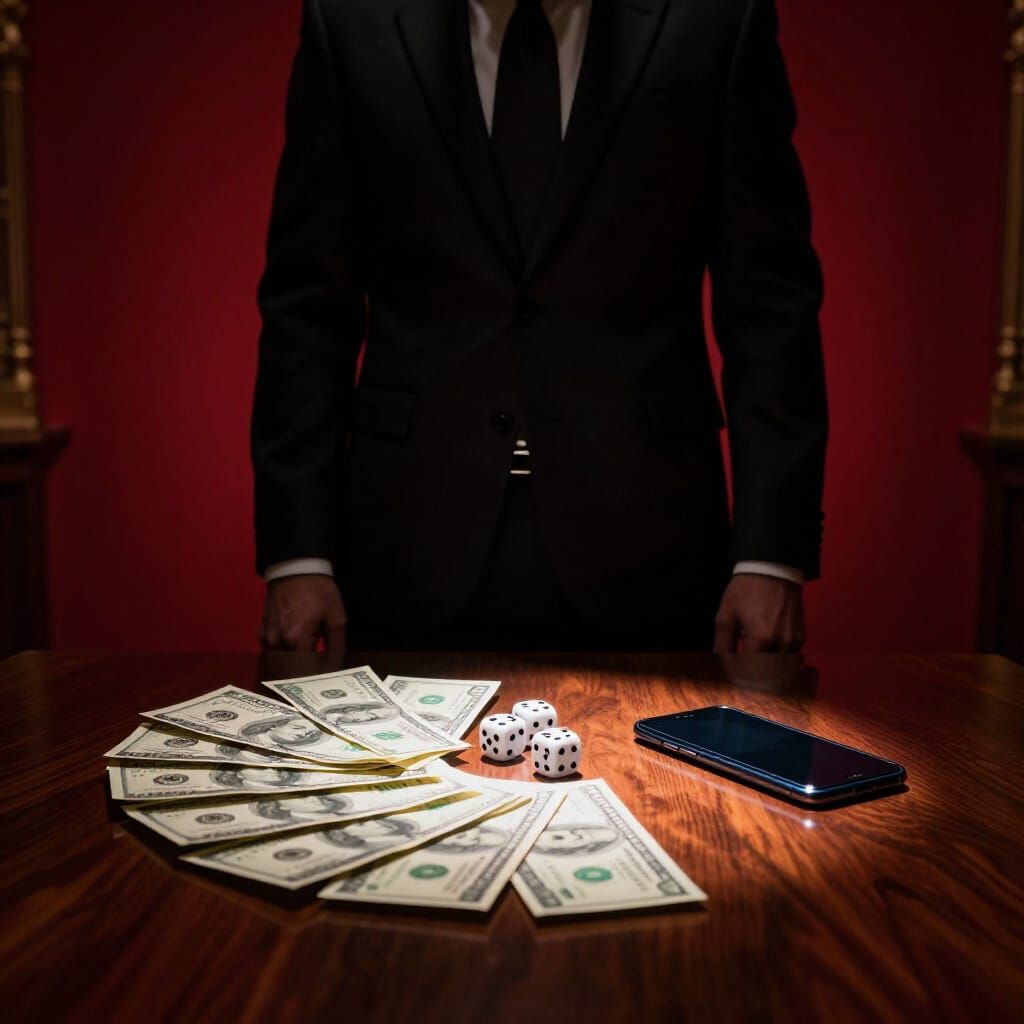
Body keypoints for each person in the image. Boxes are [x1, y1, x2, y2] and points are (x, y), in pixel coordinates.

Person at [253, 0, 827, 654]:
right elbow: (308, 305)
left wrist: (770, 554)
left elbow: (769, 300)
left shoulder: (716, 16)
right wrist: (297, 551)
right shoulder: (352, 20)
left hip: (651, 545)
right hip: (408, 544)